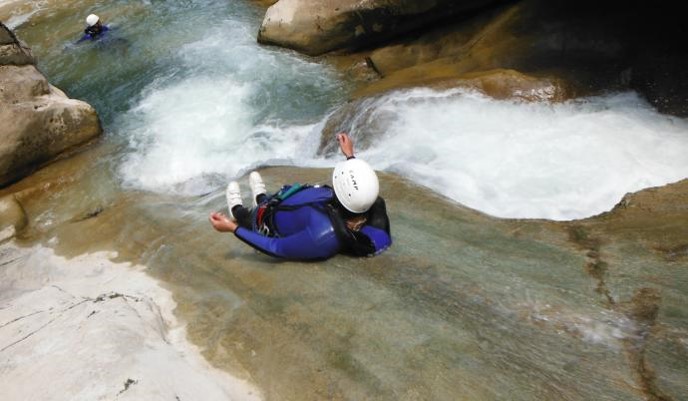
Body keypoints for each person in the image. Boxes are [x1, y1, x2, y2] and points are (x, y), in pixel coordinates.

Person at [209, 133, 392, 260]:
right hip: (288, 202)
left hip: (268, 223)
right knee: (270, 200)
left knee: (252, 215)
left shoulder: (322, 236)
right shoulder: (367, 205)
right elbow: (359, 187)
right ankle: (261, 197)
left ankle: (237, 210)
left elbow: (276, 248)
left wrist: (232, 228)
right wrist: (350, 157)